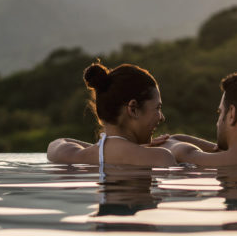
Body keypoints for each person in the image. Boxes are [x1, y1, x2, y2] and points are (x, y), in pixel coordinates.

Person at [46, 62, 176, 168]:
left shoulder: (80, 156)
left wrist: (105, 147)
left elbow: (55, 144)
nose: (161, 117)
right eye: (157, 108)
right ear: (133, 109)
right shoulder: (160, 158)